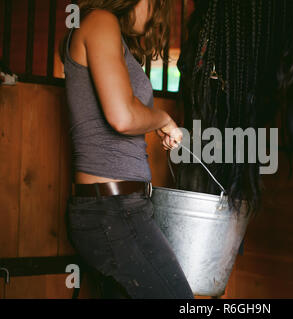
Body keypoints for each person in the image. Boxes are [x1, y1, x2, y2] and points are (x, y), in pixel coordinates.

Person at [60, 0, 194, 299]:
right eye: (156, 5)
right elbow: (122, 117)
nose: (155, 17)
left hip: (116, 209)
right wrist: (164, 118)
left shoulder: (102, 29)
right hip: (113, 211)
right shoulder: (100, 21)